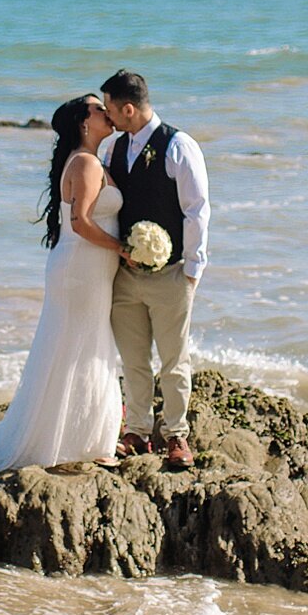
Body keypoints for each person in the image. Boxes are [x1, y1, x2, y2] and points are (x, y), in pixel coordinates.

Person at [0, 95, 125, 477]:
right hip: (82, 267)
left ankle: (82, 436)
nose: (106, 114)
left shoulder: (92, 161)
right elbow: (80, 222)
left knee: (86, 344)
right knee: (78, 345)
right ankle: (71, 440)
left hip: (87, 268)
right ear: (83, 122)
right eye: (98, 109)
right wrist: (123, 249)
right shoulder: (84, 162)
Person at [97, 69, 210, 469]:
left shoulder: (179, 146)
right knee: (133, 358)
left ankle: (176, 435)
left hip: (172, 275)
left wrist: (192, 270)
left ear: (129, 108)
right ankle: (138, 431)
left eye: (110, 109)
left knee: (174, 359)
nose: (108, 117)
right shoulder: (112, 150)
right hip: (125, 276)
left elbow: (195, 211)